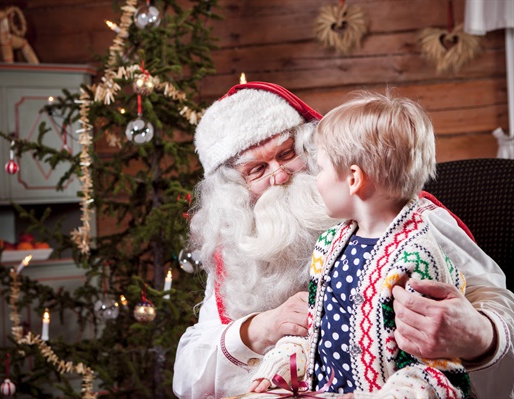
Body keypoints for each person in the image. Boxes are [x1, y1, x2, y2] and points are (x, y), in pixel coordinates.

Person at [172, 81, 514, 399]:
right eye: (257, 171)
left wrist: (479, 335)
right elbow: (187, 379)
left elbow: (498, 303)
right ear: (233, 192)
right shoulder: (237, 253)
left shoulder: (411, 221)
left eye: (288, 153)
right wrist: (260, 329)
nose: (279, 176)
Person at [249, 90, 470, 398]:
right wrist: (284, 364)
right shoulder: (329, 245)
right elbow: (317, 330)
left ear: (353, 179)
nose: (315, 179)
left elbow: (436, 369)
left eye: (323, 168)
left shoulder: (417, 257)